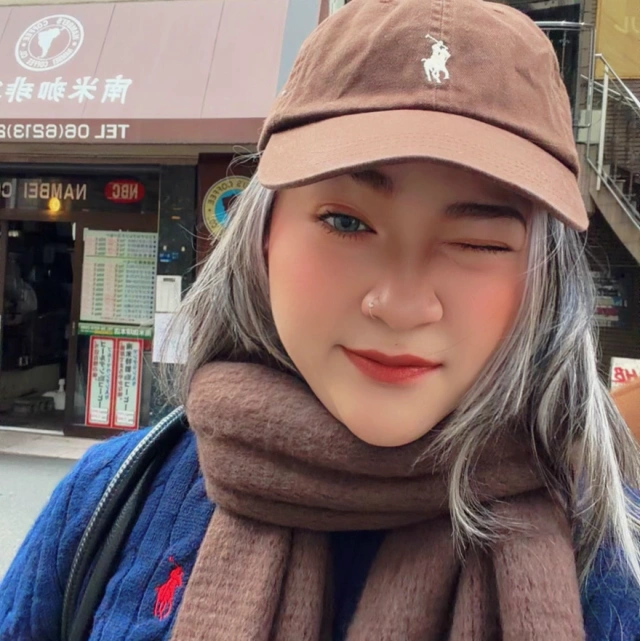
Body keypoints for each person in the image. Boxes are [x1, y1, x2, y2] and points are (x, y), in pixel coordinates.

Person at [2, 0, 640, 639]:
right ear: (263, 237)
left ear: (546, 281)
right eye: (345, 221)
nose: (400, 305)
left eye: (477, 242)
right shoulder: (106, 504)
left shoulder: (616, 552)